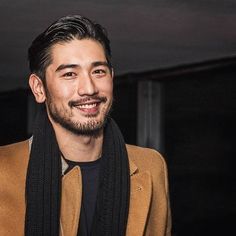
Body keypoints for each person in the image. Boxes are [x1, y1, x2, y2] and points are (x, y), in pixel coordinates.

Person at [0, 15, 171, 236]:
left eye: (98, 71)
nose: (89, 89)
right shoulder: (4, 169)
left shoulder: (151, 166)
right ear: (39, 88)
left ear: (112, 77)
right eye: (70, 74)